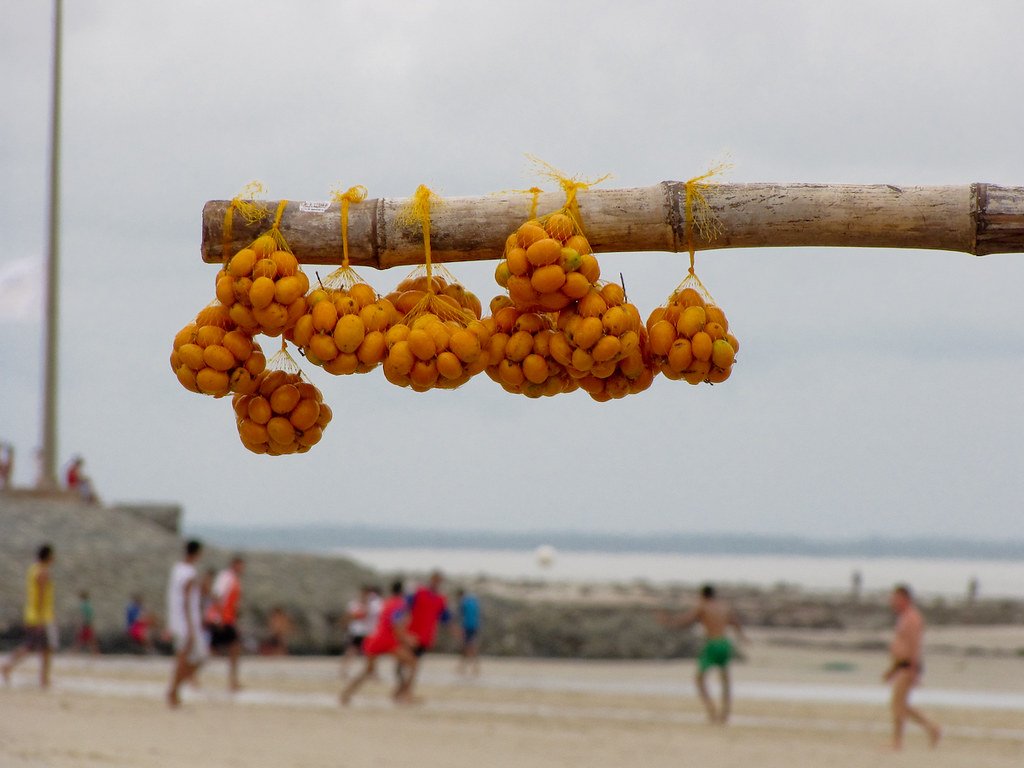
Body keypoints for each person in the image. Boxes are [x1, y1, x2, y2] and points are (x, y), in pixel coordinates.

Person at [659, 584, 747, 724]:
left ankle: (711, 710)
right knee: (725, 680)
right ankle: (725, 713)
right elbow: (736, 623)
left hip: (712, 644)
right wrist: (743, 637)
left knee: (699, 679)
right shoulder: (724, 606)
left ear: (702, 595)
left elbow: (685, 621)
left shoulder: (702, 606)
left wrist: (668, 621)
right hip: (725, 643)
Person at [340, 580, 418, 705]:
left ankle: (346, 694)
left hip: (374, 639)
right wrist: (407, 639)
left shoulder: (385, 603)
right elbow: (396, 625)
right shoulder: (400, 604)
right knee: (413, 664)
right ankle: (405, 694)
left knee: (367, 670)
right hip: (387, 640)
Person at [884, 584, 941, 750]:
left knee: (898, 704)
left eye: (896, 599)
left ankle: (899, 741)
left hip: (909, 666)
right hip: (901, 665)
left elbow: (915, 646)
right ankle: (932, 728)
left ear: (905, 599)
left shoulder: (913, 618)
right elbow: (900, 644)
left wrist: (914, 671)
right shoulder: (903, 618)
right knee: (901, 704)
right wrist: (892, 670)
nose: (893, 602)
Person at [2, 544, 56, 688]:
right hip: (40, 616)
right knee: (39, 647)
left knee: (37, 647)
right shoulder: (43, 572)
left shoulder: (33, 569)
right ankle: (43, 678)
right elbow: (40, 596)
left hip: (33, 614)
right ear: (48, 556)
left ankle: (41, 677)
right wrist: (40, 618)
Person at [166, 539, 207, 708]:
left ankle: (175, 690)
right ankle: (174, 690)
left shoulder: (177, 569)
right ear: (197, 553)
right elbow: (186, 601)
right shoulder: (189, 573)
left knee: (185, 657)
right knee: (197, 657)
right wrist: (190, 627)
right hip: (187, 623)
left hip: (177, 621)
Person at [401, 570, 451, 700]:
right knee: (404, 664)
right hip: (411, 633)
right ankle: (403, 691)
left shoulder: (441, 599)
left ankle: (406, 692)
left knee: (414, 665)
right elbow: (403, 606)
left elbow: (445, 618)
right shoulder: (418, 593)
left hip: (425, 636)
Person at [207, 556, 245, 692]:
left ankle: (233, 681)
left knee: (232, 648)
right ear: (234, 564)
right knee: (219, 649)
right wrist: (218, 618)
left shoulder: (234, 579)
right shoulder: (226, 577)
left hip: (228, 619)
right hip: (222, 619)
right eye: (240, 565)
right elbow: (216, 596)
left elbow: (232, 603)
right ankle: (190, 674)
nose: (242, 569)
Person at [341, 585, 380, 679]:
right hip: (357, 632)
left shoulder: (374, 604)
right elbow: (352, 616)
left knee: (371, 654)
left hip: (368, 632)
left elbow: (368, 614)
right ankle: (344, 671)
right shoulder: (354, 604)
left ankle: (373, 672)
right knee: (351, 652)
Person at [455, 588, 482, 676]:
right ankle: (474, 667)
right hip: (475, 626)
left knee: (466, 646)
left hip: (467, 626)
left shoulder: (463, 602)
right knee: (472, 645)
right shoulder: (473, 601)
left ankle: (464, 667)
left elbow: (460, 615)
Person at [74, 590, 99, 655]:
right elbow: (91, 615)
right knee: (91, 639)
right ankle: (95, 652)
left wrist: (79, 624)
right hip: (89, 624)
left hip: (85, 624)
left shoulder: (83, 605)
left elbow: (82, 616)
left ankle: (75, 652)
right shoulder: (89, 605)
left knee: (80, 639)